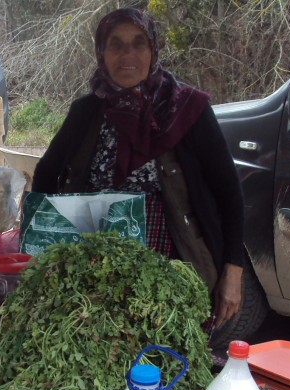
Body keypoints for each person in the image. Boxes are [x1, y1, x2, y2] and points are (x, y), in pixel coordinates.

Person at [31, 8, 246, 331]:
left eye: (138, 44)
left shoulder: (187, 110)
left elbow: (229, 193)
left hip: (169, 270)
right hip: (96, 271)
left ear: (153, 50)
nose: (127, 55)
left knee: (164, 360)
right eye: (116, 45)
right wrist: (43, 241)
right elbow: (46, 175)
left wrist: (233, 270)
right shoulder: (86, 113)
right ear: (101, 53)